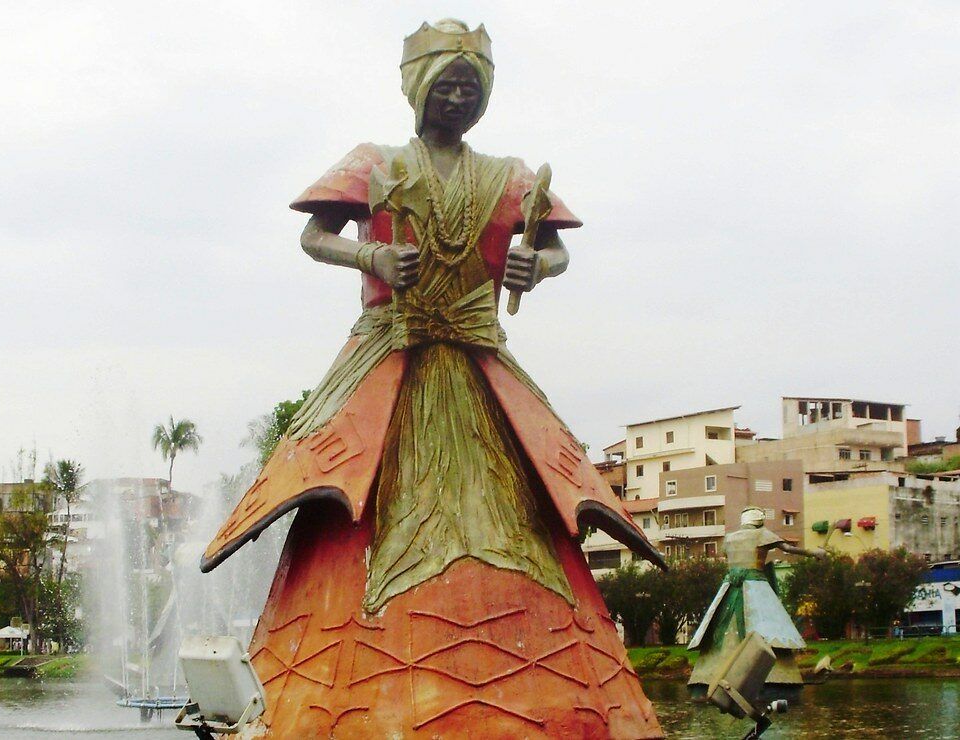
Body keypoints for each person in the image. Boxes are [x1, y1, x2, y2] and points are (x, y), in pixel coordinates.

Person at [203, 19, 664, 738]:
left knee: (520, 515)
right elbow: (313, 235)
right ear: (417, 88)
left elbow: (556, 249)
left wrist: (533, 267)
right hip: (392, 355)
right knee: (357, 506)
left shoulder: (506, 175)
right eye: (445, 83)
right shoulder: (375, 162)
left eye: (469, 87)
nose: (456, 97)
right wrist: (373, 260)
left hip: (478, 362)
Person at [687, 506, 826, 700]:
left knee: (721, 630)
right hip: (755, 586)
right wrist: (814, 553)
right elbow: (788, 549)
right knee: (765, 630)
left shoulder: (730, 538)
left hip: (729, 588)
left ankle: (708, 681)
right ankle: (764, 681)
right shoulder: (762, 535)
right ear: (759, 521)